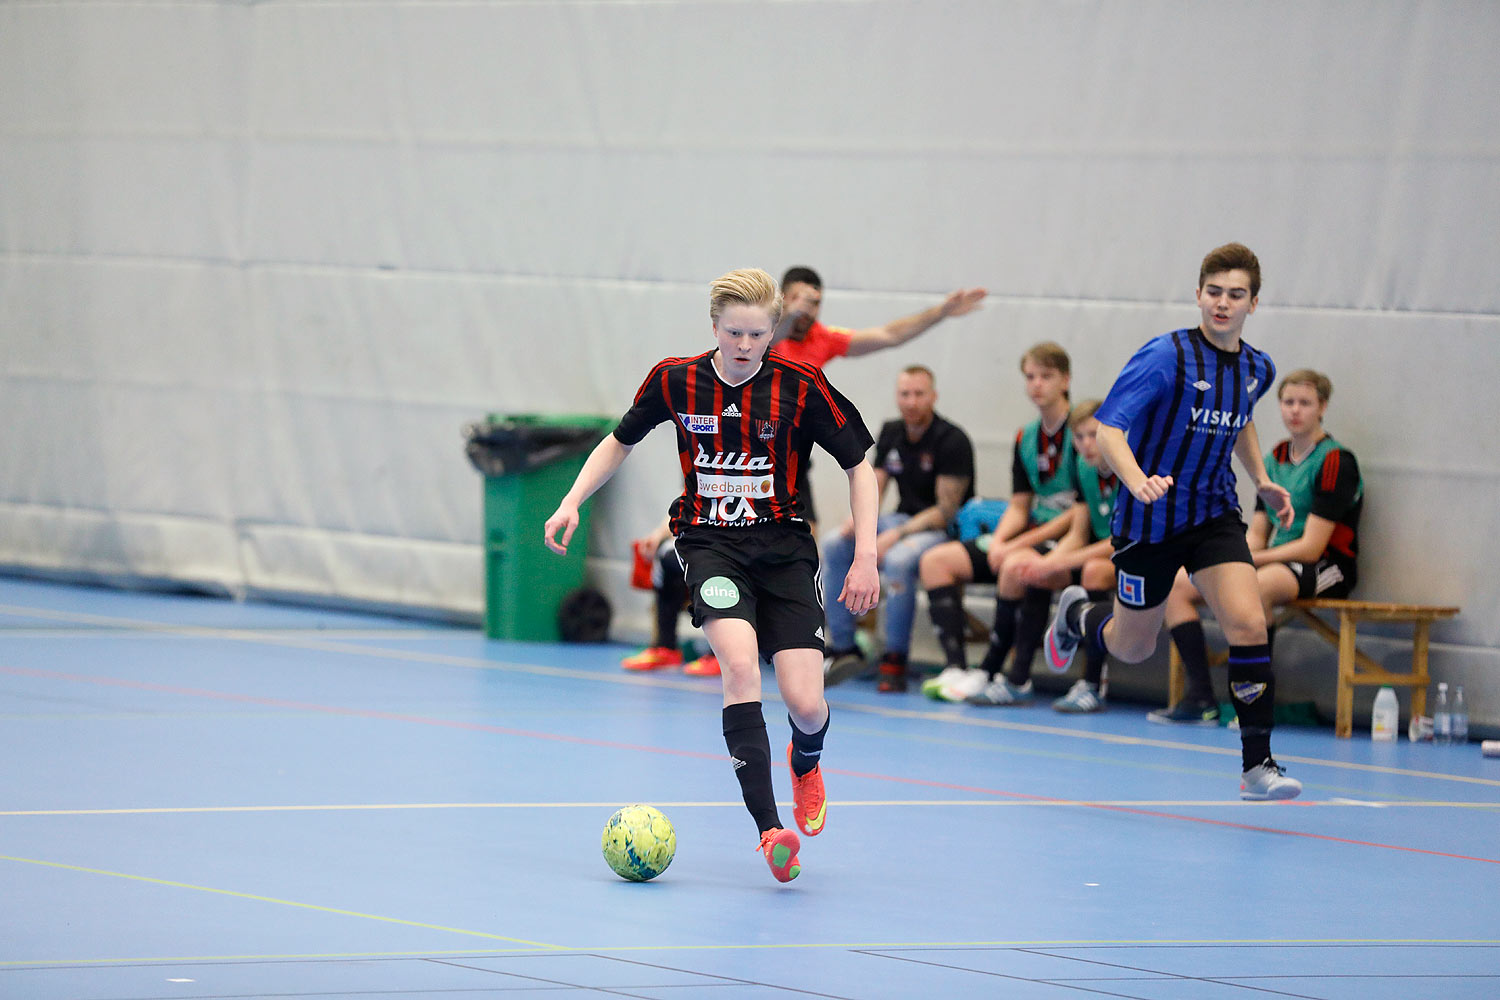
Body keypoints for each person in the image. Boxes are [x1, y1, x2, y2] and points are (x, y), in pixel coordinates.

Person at [544, 268, 880, 883]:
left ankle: (807, 760)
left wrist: (865, 554)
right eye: (733, 332)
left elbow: (860, 465)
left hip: (784, 551)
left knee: (807, 703)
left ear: (774, 329)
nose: (745, 345)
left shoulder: (801, 384)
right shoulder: (677, 380)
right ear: (714, 326)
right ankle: (770, 830)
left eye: (757, 333)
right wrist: (571, 500)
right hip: (709, 546)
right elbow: (619, 441)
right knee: (741, 665)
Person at [1043, 243, 1303, 800]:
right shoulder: (1166, 356)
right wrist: (1137, 480)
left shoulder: (1258, 367)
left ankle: (1257, 766)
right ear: (1198, 295)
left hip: (1213, 513)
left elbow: (1242, 421)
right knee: (1132, 646)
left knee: (1248, 624)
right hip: (1149, 521)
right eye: (1214, 292)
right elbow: (1110, 429)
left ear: (1253, 302)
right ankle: (1076, 616)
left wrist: (1261, 480)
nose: (1223, 304)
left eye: (1236, 295)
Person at [1151, 368, 1363, 724]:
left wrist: (1252, 560)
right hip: (1276, 560)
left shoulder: (1335, 461)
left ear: (1322, 407)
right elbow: (1257, 533)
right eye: (1288, 402)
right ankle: (1201, 696)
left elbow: (1311, 548)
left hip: (1328, 565)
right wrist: (1233, 558)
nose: (1295, 410)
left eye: (1305, 403)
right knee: (1176, 585)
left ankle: (1256, 702)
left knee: (1258, 586)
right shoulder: (1274, 458)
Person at [918, 342, 1079, 703]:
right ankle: (957, 667)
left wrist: (1015, 546)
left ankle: (1004, 672)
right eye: (1030, 377)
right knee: (936, 561)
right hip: (1033, 530)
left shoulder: (1081, 432)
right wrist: (1004, 539)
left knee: (1018, 566)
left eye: (1046, 376)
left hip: (1071, 538)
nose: (1037, 384)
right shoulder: (1026, 437)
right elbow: (1020, 505)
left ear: (1065, 380)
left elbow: (1080, 511)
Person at [771, 266, 986, 530]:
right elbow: (764, 339)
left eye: (814, 303)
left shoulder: (822, 338)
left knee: (807, 533)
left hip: (790, 456)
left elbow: (889, 335)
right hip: (748, 450)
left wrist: (940, 313)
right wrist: (788, 314)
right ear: (782, 299)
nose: (807, 310)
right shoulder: (759, 334)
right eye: (798, 299)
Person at [822, 365, 976, 692]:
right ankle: (843, 648)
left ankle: (895, 657)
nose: (911, 401)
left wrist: (896, 535)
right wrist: (858, 522)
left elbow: (945, 511)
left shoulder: (952, 439)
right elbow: (873, 486)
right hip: (900, 519)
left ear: (933, 397)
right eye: (905, 394)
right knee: (835, 542)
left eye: (919, 394)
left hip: (940, 531)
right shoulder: (892, 431)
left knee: (899, 559)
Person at [965, 400, 1119, 711]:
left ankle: (1092, 684)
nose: (1086, 445)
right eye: (1079, 437)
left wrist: (1058, 561)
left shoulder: (1127, 470)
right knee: (1032, 571)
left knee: (1093, 571)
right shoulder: (1084, 468)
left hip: (1133, 556)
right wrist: (1045, 565)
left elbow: (1122, 541)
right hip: (1094, 554)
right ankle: (1017, 680)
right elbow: (1077, 532)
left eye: (1093, 435)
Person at [619, 516, 720, 676]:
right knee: (666, 555)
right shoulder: (701, 491)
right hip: (704, 542)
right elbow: (684, 505)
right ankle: (666, 648)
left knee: (718, 566)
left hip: (738, 546)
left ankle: (719, 655)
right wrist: (657, 535)